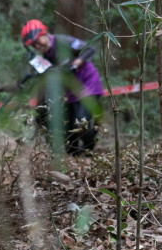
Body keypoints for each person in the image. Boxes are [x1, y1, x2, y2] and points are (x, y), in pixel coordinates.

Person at [19, 19, 104, 155]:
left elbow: (89, 49)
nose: (37, 46)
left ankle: (89, 151)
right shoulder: (46, 56)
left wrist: (74, 64)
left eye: (37, 41)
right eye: (33, 44)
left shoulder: (62, 41)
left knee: (81, 122)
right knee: (68, 126)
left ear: (44, 34)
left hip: (87, 84)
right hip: (70, 90)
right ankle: (73, 154)